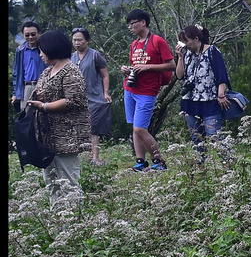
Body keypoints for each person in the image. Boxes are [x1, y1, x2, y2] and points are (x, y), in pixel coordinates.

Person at [26, 31, 90, 210]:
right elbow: (42, 93)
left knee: (68, 181)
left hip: (67, 136)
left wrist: (45, 106)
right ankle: (58, 221)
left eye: (42, 50)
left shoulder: (71, 71)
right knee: (51, 180)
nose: (40, 55)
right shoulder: (47, 71)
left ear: (51, 49)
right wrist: (39, 97)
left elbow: (73, 100)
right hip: (48, 137)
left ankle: (73, 223)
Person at [121, 9, 175, 171]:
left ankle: (159, 161)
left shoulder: (157, 41)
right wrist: (127, 69)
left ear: (143, 22)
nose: (130, 27)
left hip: (147, 90)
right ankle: (140, 162)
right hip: (130, 88)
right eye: (128, 25)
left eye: (132, 24)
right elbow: (136, 65)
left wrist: (148, 67)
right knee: (134, 128)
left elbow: (171, 65)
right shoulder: (134, 44)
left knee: (140, 128)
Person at [175, 24, 231, 164]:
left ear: (196, 38)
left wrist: (221, 94)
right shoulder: (187, 54)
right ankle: (201, 167)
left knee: (215, 136)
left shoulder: (212, 51)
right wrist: (180, 57)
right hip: (190, 101)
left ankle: (228, 164)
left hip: (209, 101)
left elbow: (222, 76)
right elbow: (180, 75)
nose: (186, 44)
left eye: (187, 41)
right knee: (197, 139)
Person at [70, 27, 112, 165]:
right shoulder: (71, 57)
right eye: (74, 40)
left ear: (87, 40)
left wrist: (106, 92)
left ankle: (95, 157)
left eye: (80, 40)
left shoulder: (95, 55)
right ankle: (83, 156)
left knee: (93, 127)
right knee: (79, 127)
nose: (77, 43)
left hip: (94, 96)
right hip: (77, 97)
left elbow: (105, 75)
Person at [11, 20, 43, 111]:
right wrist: (15, 93)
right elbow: (16, 73)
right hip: (27, 87)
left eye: (33, 34)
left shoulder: (44, 48)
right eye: (27, 35)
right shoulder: (20, 50)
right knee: (26, 114)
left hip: (42, 86)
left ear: (39, 33)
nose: (30, 37)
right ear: (23, 35)